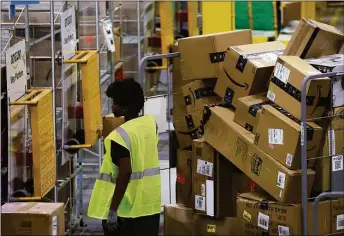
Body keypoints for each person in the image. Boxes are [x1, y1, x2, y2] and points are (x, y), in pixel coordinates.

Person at [88, 78, 161, 236]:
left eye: (116, 103)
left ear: (126, 108)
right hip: (150, 208)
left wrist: (112, 211)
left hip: (125, 214)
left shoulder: (119, 137)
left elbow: (125, 172)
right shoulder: (150, 124)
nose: (112, 107)